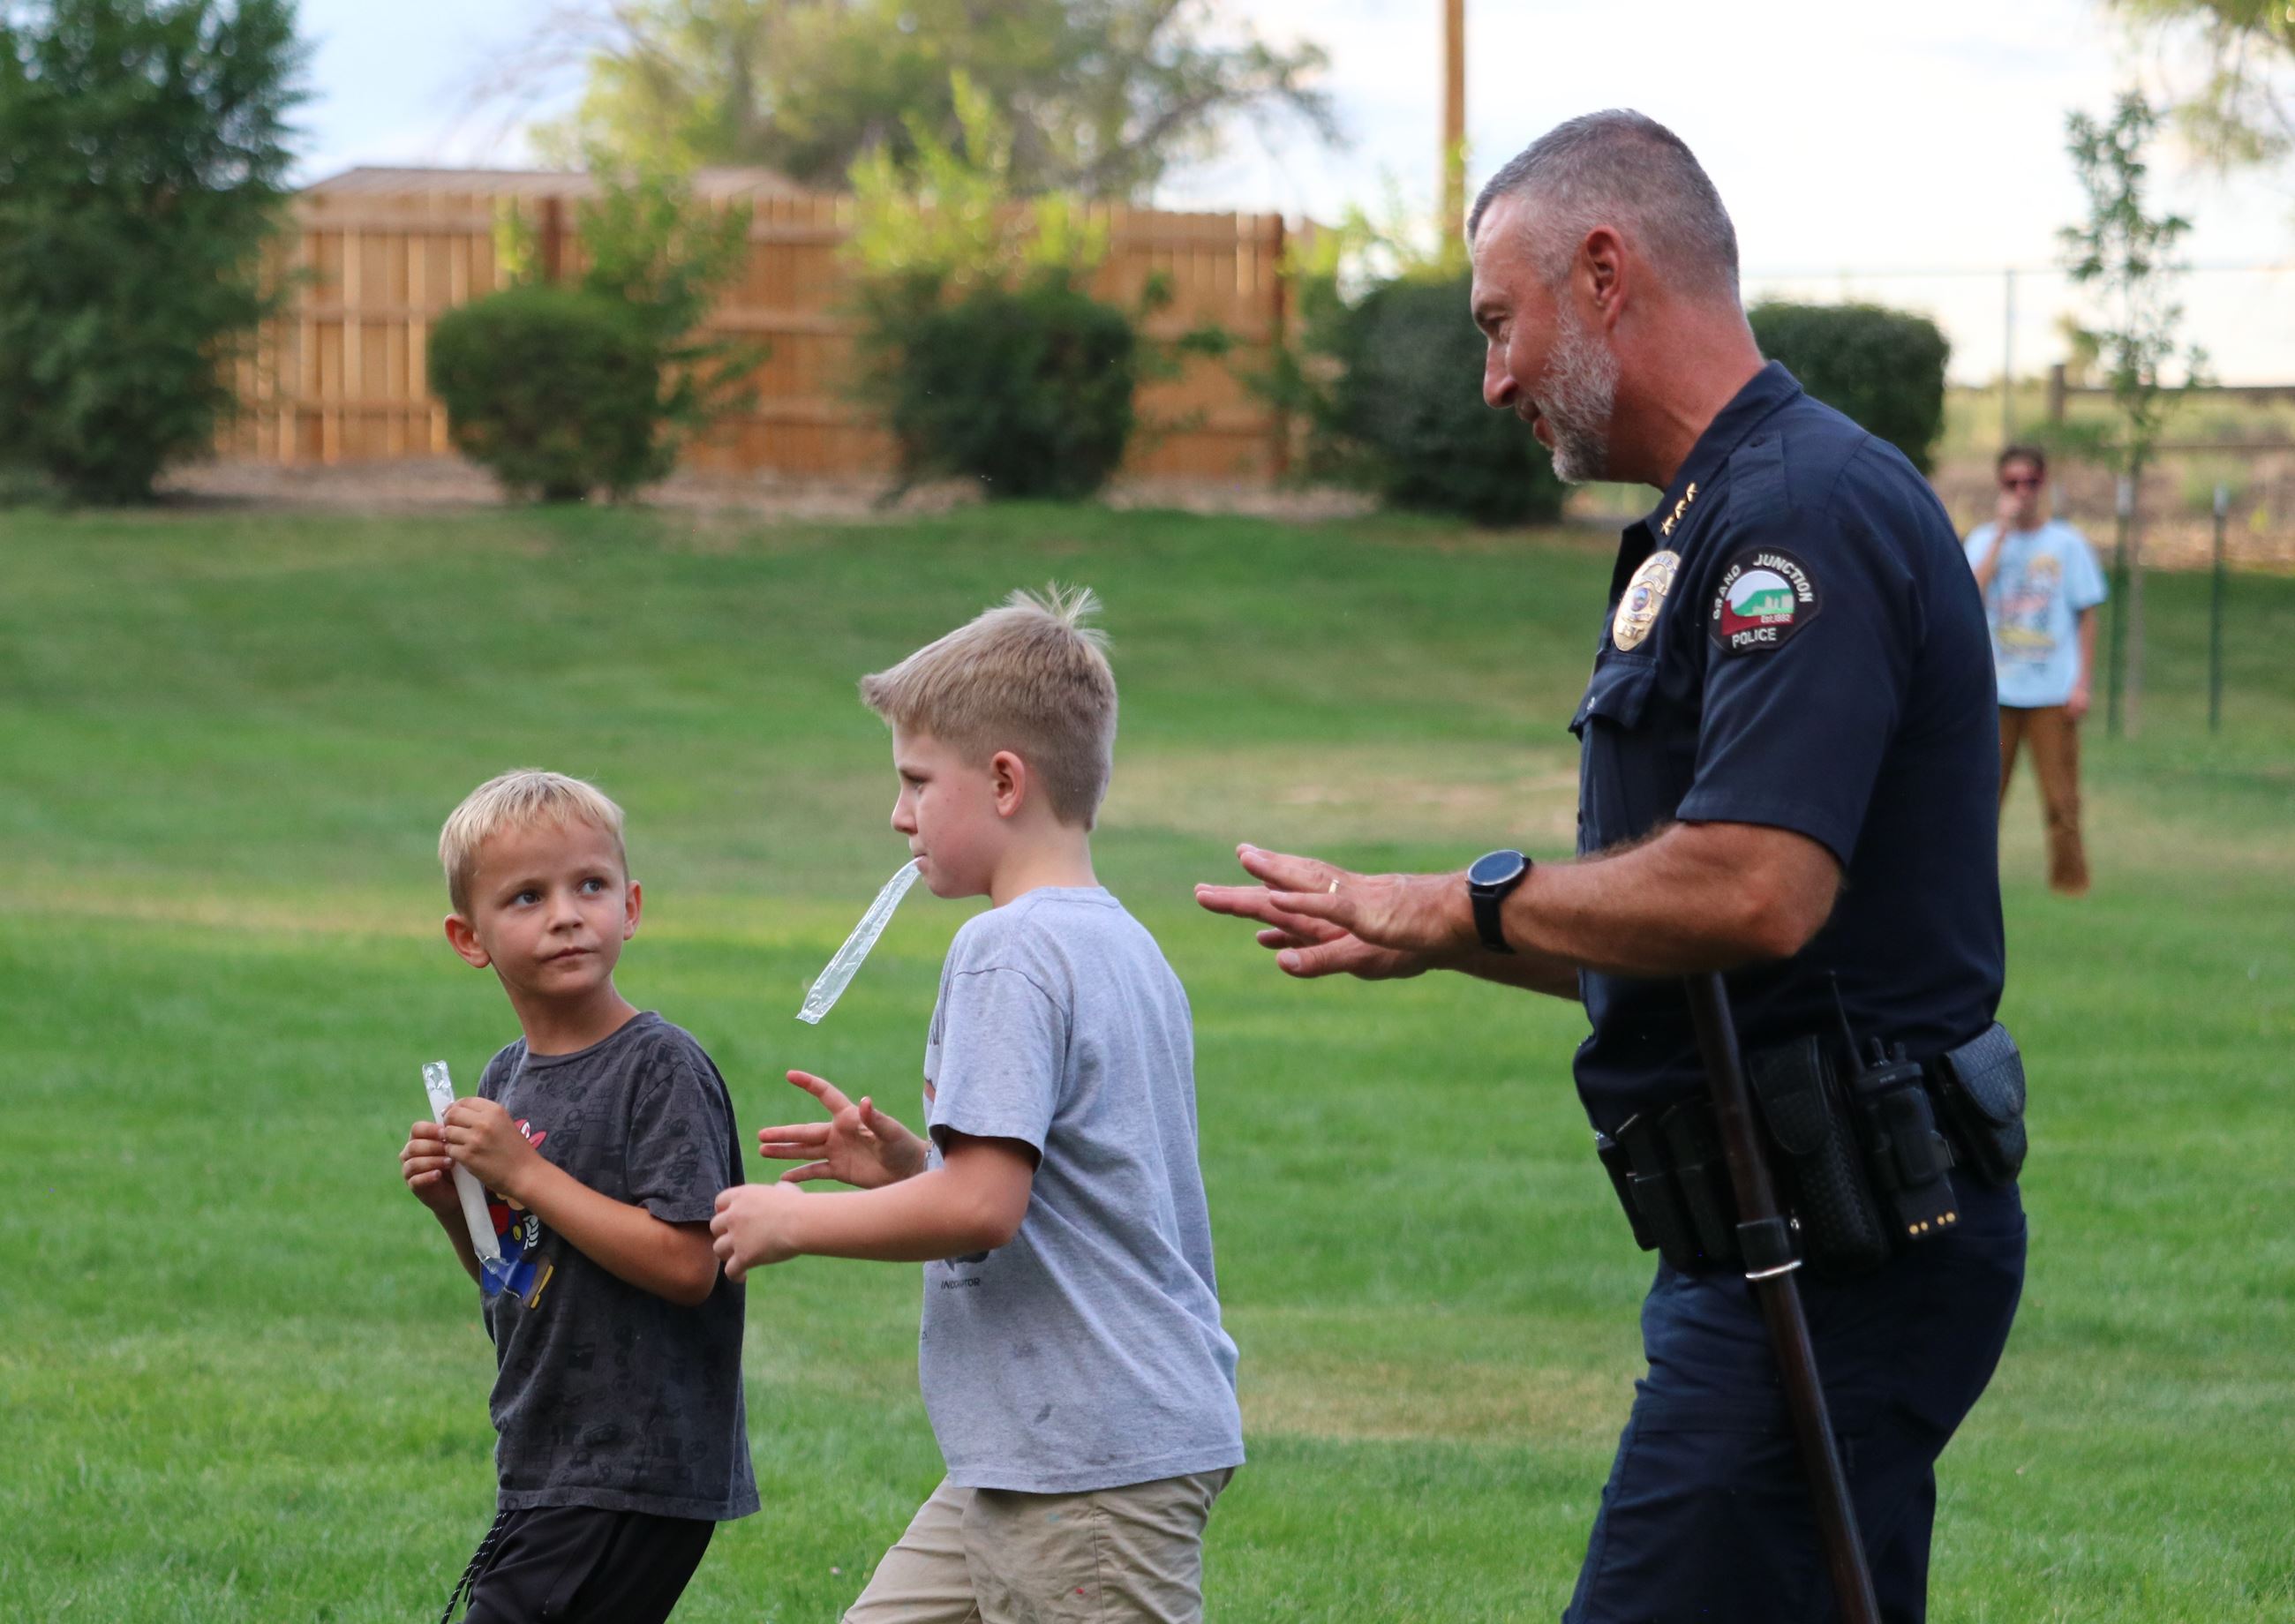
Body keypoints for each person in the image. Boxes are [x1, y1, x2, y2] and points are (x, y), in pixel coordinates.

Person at [1195, 111, 2025, 1624]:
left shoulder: (1796, 518)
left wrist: (1463, 899)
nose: (1495, 376)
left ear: (1602, 273)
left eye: (1499, 324)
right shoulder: (1705, 524)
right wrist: (1440, 937)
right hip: (1774, 1231)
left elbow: (1754, 889)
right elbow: (1672, 922)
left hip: (1837, 1247)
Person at [711, 586, 1243, 1624]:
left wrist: (794, 1219)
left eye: (915, 781)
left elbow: (983, 1210)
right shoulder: (1120, 942)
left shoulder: (1008, 949)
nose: (896, 814)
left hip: (1086, 1460)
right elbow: (1048, 1191)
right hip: (1034, 1451)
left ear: (1004, 780)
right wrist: (919, 1173)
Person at [400, 769, 756, 1624]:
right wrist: (462, 1209)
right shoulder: (504, 1079)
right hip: (548, 1449)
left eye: (588, 886)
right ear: (468, 936)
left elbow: (687, 1264)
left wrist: (524, 1175)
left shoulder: (659, 1068)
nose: (565, 913)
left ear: (630, 906)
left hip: (635, 1462)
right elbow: (516, 1283)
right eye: (526, 896)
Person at [1966, 444, 2108, 895]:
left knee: (2061, 801)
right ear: (2000, 486)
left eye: (2030, 482)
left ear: (2043, 485)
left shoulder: (2068, 544)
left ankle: (2070, 886)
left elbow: (2087, 614)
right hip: (1998, 693)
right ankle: (1974, 883)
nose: (2022, 492)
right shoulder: (1983, 540)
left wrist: (2082, 681)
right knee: (1984, 799)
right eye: (2013, 483)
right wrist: (2002, 534)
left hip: (2052, 693)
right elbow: (1968, 597)